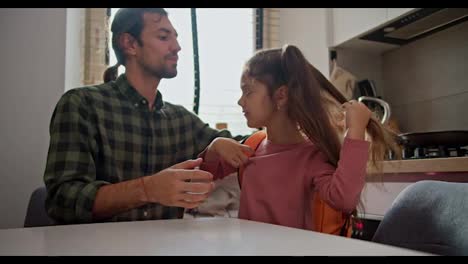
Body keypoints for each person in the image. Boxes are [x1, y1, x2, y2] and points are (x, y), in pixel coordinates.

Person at [43, 8, 239, 224]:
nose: (177, 47)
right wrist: (147, 189)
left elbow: (244, 146)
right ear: (130, 44)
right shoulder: (82, 105)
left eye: (175, 38)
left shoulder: (181, 119)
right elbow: (62, 201)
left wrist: (221, 143)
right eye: (164, 37)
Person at [197, 45, 400, 231]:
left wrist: (355, 130)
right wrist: (214, 149)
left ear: (281, 95)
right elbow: (203, 177)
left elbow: (344, 200)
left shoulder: (311, 157)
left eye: (248, 91)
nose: (240, 101)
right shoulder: (252, 146)